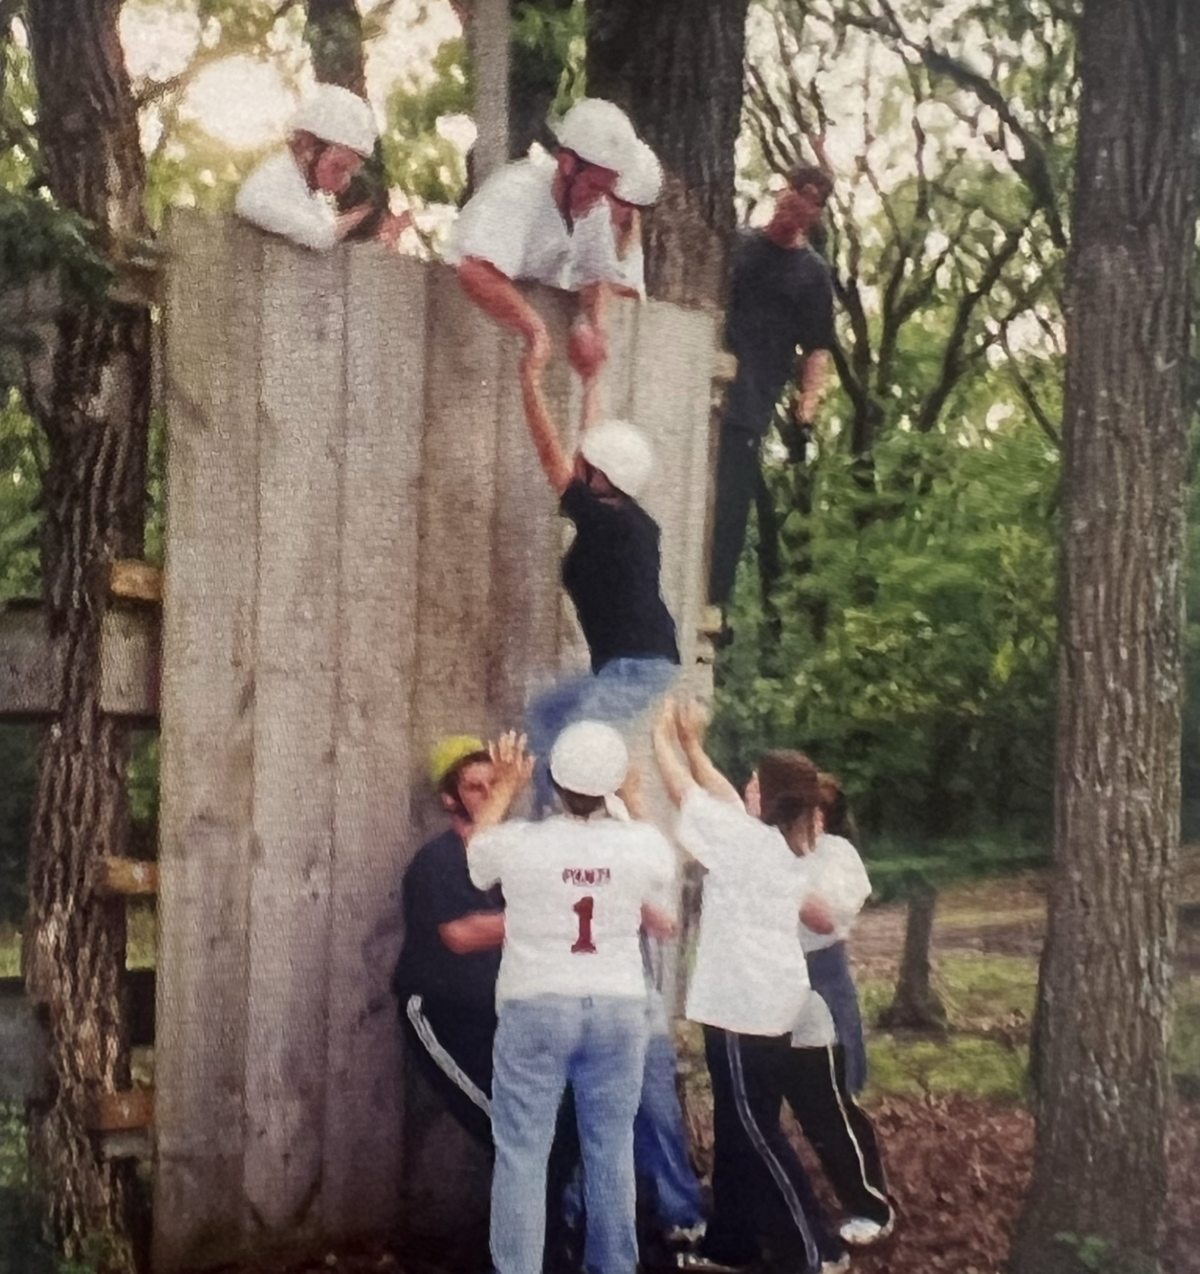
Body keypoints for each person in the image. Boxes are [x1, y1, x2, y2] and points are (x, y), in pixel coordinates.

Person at [468, 725, 678, 1274]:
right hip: (616, 1004)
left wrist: (505, 787)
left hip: (536, 1002)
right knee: (610, 1148)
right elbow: (662, 862)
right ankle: (613, 1266)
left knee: (522, 1152)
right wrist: (634, 799)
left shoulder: (520, 842)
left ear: (554, 782)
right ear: (612, 786)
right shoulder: (638, 843)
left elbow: (477, 861)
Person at [651, 702, 848, 1274]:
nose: (745, 786)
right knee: (739, 1131)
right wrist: (693, 744)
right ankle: (729, 1246)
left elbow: (686, 792)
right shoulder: (783, 842)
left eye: (754, 781)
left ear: (768, 798)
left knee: (756, 1132)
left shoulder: (745, 845)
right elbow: (720, 797)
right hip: (768, 1000)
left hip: (745, 1008)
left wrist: (664, 734)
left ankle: (818, 1248)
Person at [391, 735, 580, 1273]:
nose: (487, 794)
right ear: (451, 799)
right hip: (442, 1016)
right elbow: (461, 935)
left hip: (506, 1017)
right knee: (523, 1134)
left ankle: (525, 1252)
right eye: (474, 786)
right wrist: (549, 916)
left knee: (560, 1127)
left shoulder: (515, 856)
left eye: (494, 783)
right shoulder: (440, 860)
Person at [517, 353, 680, 814]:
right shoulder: (622, 516)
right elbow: (594, 449)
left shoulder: (610, 526)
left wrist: (529, 380)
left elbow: (552, 456)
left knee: (579, 749)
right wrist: (591, 380)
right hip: (628, 665)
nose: (577, 463)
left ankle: (576, 834)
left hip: (637, 667)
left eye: (587, 465)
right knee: (546, 717)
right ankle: (549, 820)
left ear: (602, 478)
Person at [743, 768, 894, 1249]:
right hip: (767, 977)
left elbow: (825, 916)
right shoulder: (760, 851)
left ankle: (873, 1206)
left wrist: (781, 873)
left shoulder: (837, 857)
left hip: (819, 978)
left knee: (833, 1103)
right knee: (775, 1105)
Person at [445, 98, 658, 391]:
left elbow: (597, 278)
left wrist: (591, 327)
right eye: (595, 187)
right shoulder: (516, 192)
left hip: (506, 359)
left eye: (605, 190)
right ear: (568, 165)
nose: (599, 200)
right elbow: (474, 271)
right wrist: (534, 329)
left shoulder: (593, 213)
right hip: (456, 341)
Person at [708, 166, 836, 612]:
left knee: (729, 503)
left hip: (752, 401)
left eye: (813, 202)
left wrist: (810, 398)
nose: (800, 206)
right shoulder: (737, 245)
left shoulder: (813, 274)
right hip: (705, 382)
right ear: (783, 192)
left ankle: (713, 604)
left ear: (817, 214)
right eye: (797, 194)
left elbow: (818, 345)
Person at [236, 83, 411, 251]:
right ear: (309, 147)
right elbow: (251, 203)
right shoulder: (274, 176)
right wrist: (365, 211)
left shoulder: (313, 195)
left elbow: (328, 232)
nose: (343, 183)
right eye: (338, 167)